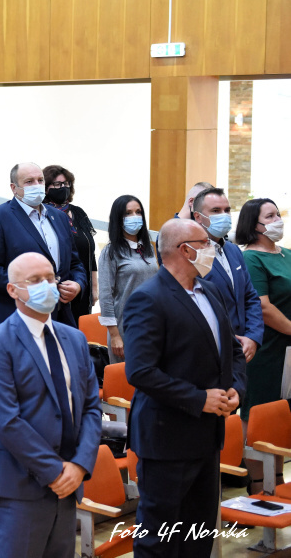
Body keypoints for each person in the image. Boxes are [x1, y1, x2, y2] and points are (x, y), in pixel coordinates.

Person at [123, 219, 245, 557]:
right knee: (159, 539)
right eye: (205, 242)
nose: (212, 248)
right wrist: (198, 398)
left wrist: (236, 388)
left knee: (198, 536)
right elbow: (141, 371)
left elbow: (233, 350)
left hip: (207, 435)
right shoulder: (148, 298)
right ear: (185, 250)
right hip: (167, 437)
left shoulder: (210, 290)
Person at [0, 252, 102, 558]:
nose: (46, 286)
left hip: (68, 483)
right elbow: (6, 421)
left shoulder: (75, 339)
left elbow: (91, 408)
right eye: (34, 280)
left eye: (50, 278)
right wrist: (55, 471)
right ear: (12, 290)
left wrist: (80, 465)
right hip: (19, 486)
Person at [0, 162, 87, 330]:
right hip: (14, 318)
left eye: (40, 180)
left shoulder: (59, 217)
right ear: (14, 188)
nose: (37, 185)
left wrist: (78, 284)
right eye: (29, 181)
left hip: (58, 317)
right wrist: (31, 287)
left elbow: (75, 263)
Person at [191, 188, 263, 363]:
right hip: (210, 351)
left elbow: (250, 296)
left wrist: (253, 337)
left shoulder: (233, 250)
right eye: (216, 210)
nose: (224, 215)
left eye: (227, 210)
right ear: (198, 217)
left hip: (242, 348)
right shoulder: (192, 253)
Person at [236, 198, 291, 427]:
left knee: (284, 418)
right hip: (268, 347)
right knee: (261, 416)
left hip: (288, 348)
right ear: (253, 224)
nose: (278, 220)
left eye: (277, 214)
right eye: (270, 216)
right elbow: (263, 307)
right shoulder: (251, 258)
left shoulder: (286, 253)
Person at [97, 195, 159, 363]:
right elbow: (106, 296)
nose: (135, 217)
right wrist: (114, 335)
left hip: (152, 323)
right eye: (128, 213)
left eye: (138, 212)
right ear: (118, 218)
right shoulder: (110, 252)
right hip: (126, 327)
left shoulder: (147, 248)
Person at [43, 165, 97, 319]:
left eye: (66, 184)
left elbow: (90, 251)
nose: (63, 187)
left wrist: (94, 288)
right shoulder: (43, 214)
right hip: (58, 289)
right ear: (46, 188)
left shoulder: (78, 212)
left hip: (82, 286)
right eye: (57, 184)